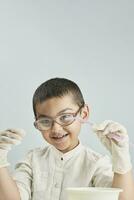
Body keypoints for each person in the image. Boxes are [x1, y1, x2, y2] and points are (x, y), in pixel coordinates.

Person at [0, 77, 134, 200]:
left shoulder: (96, 164)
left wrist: (121, 159)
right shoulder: (31, 159)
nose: (56, 129)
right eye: (45, 121)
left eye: (65, 117)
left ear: (84, 113)